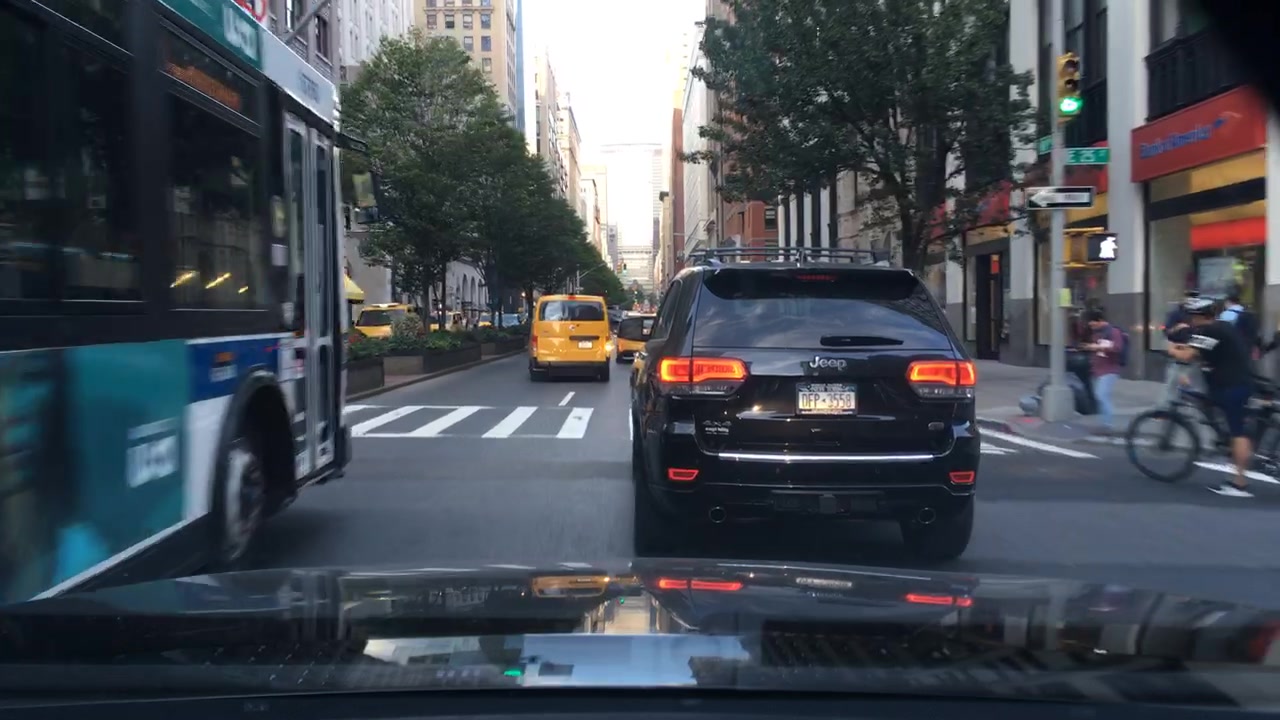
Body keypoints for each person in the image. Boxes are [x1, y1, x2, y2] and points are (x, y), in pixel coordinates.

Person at [1167, 296, 1258, 497]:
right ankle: (1228, 446)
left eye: (1192, 316)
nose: (1190, 320)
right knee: (1223, 419)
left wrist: (1171, 349)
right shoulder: (1221, 327)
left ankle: (1239, 483)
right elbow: (1199, 350)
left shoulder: (1210, 331)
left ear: (1200, 316)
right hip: (1233, 383)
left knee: (1237, 432)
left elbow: (1188, 355)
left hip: (1232, 386)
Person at [1079, 309, 1123, 432]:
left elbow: (1117, 347)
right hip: (1097, 370)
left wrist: (1097, 347)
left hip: (1109, 369)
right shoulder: (1096, 333)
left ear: (1100, 321)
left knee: (1101, 395)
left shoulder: (1113, 331)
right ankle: (1104, 423)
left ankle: (1108, 424)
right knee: (1100, 397)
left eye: (1093, 324)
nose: (1092, 327)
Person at [1162, 289, 1203, 404]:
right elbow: (1166, 332)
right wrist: (1178, 327)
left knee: (1193, 387)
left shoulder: (1198, 314)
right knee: (1172, 385)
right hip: (1177, 355)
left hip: (1193, 355)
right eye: (1189, 296)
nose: (1191, 299)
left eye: (1194, 297)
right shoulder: (1175, 314)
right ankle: (1168, 406)